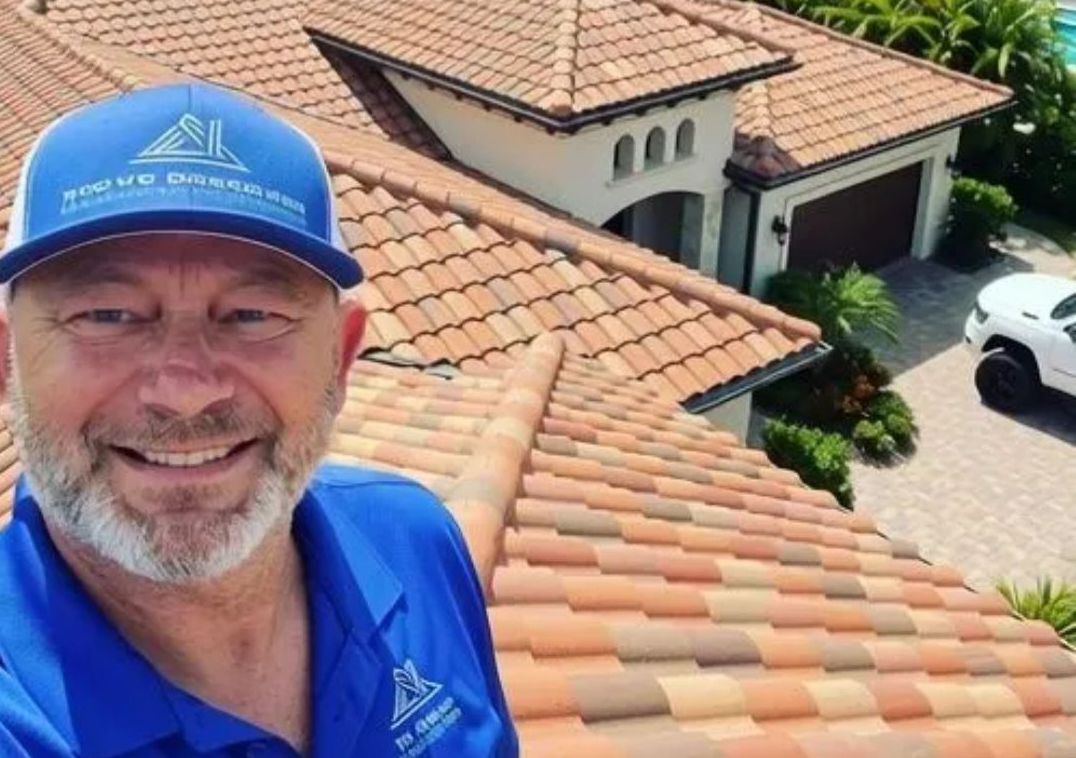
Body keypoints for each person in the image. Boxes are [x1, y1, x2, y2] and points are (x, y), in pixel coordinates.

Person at [0, 82, 518, 757]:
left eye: (253, 316)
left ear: (341, 355)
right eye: (106, 315)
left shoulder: (416, 543)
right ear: (8, 361)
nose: (185, 393)